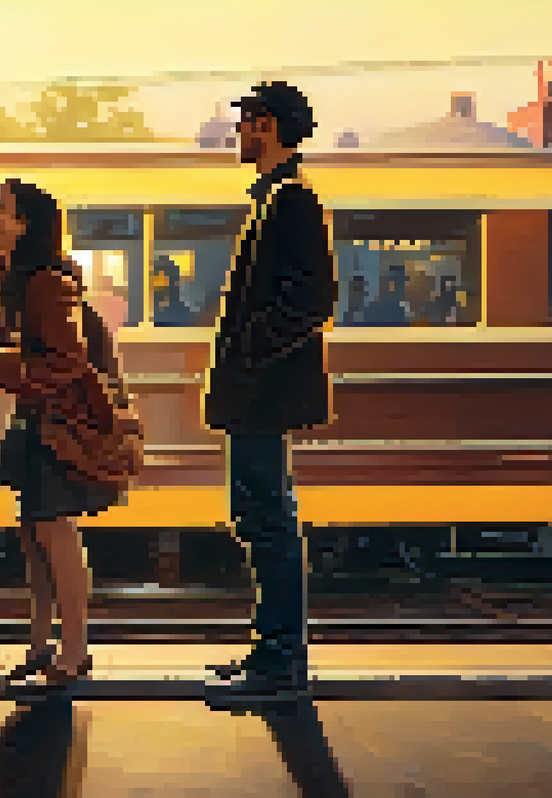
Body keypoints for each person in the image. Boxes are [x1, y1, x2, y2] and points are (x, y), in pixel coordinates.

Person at [205, 81, 336, 696]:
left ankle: (280, 658)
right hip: (256, 392)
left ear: (271, 126)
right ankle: (270, 653)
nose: (240, 132)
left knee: (270, 520)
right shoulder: (275, 199)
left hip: (263, 392)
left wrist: (249, 351)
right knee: (259, 518)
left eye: (249, 122)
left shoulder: (291, 200)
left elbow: (313, 299)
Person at [0, 179, 131, 689]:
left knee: (53, 533)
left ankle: (73, 651)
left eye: (2, 210)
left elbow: (67, 362)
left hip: (55, 424)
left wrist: (9, 371)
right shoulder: (21, 282)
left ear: (25, 225)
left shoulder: (47, 283)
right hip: (38, 421)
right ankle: (43, 644)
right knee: (35, 537)